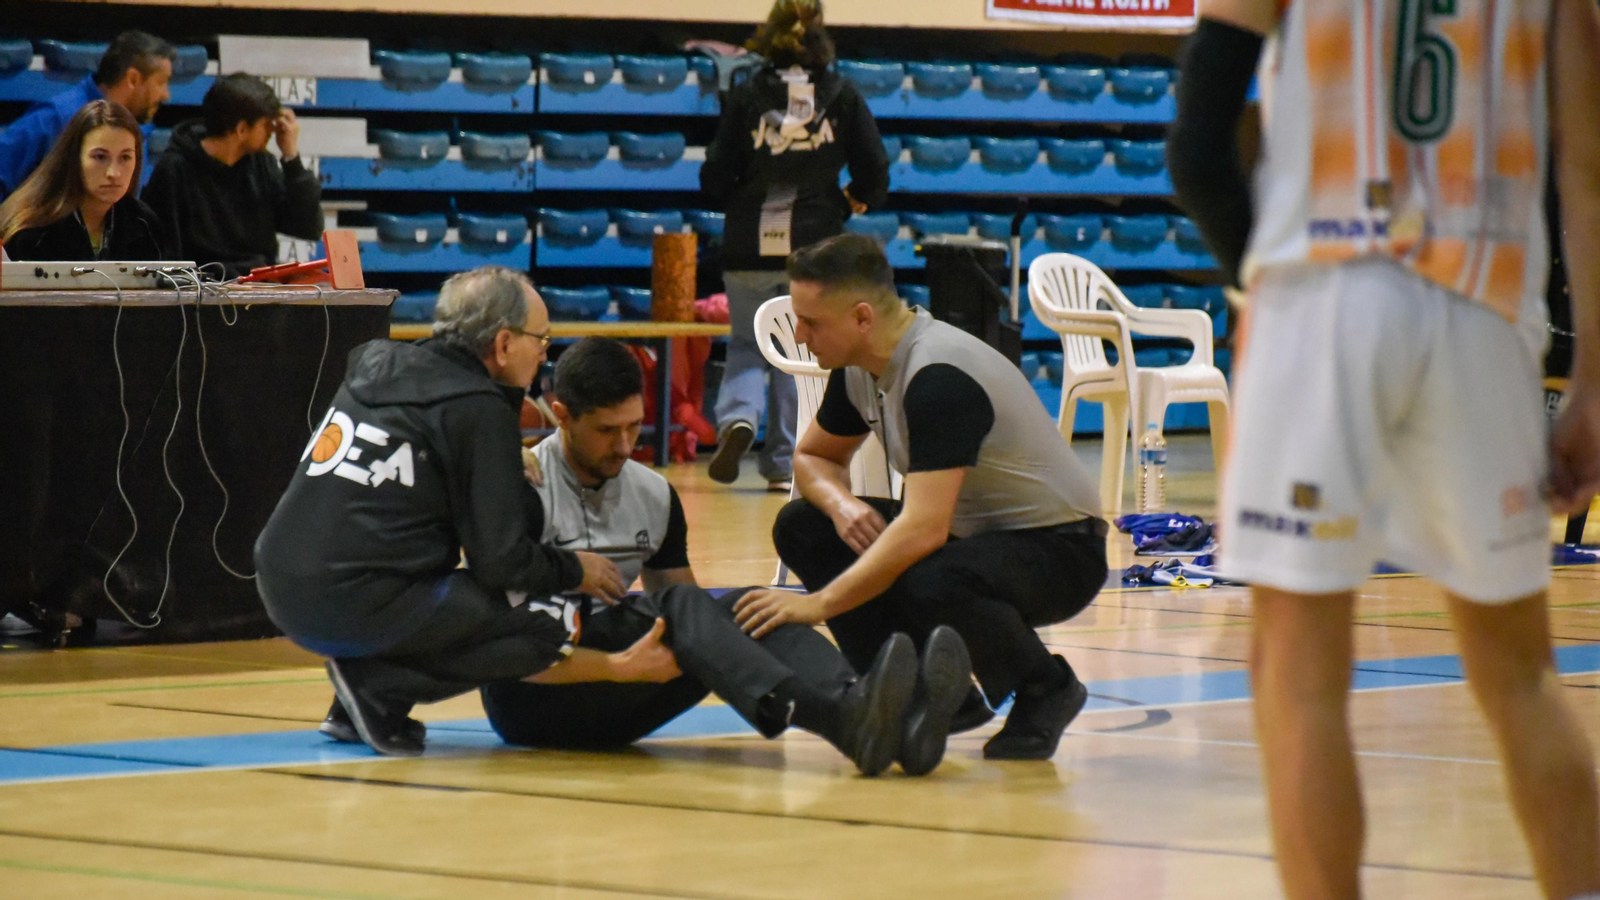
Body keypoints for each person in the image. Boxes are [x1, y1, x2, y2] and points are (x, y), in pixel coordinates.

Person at [1166, 0, 1600, 896]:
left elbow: (1198, 147)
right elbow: (1589, 166)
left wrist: (1260, 288)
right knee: (1522, 678)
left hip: (1322, 290)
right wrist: (1593, 375)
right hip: (1485, 303)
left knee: (1297, 679)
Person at [481, 338, 975, 777]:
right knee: (684, 607)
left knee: (749, 608)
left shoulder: (652, 494)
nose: (625, 445)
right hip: (531, 698)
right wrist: (618, 667)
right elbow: (505, 650)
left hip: (621, 684)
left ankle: (877, 713)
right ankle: (848, 721)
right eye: (608, 430)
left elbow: (697, 622)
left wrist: (665, 655)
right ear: (562, 415)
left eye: (634, 426)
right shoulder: (522, 488)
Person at [254, 267, 671, 757]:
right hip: (353, 603)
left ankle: (359, 697)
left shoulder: (379, 362)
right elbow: (501, 561)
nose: (545, 352)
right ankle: (378, 687)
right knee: (550, 620)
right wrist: (574, 569)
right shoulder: (477, 409)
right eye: (541, 338)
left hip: (278, 583)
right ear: (503, 344)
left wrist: (501, 446)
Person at [736, 234, 1110, 761]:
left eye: (811, 322)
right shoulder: (860, 367)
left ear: (862, 317)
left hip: (1062, 550)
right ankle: (923, 693)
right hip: (975, 537)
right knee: (804, 525)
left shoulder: (938, 375)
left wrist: (817, 604)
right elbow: (813, 458)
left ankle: (1046, 687)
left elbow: (924, 530)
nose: (800, 335)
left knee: (933, 577)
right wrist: (843, 507)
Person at [700, 0, 889, 492]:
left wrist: (742, 191)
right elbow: (875, 169)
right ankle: (782, 462)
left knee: (746, 344)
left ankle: (738, 418)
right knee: (799, 347)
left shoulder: (747, 93)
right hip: (814, 248)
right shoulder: (841, 94)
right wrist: (853, 198)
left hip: (747, 241)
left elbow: (714, 174)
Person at [142, 72, 321, 278]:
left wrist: (291, 158)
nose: (272, 131)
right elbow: (163, 257)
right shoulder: (174, 170)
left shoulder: (262, 164)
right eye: (266, 125)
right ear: (242, 129)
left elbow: (308, 227)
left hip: (259, 286)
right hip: (203, 288)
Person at [0, 31, 174, 201]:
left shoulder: (136, 130)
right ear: (133, 79)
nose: (166, 95)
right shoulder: (56, 117)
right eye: (161, 82)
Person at [0, 100, 166, 261]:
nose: (114, 173)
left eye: (125, 157)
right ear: (74, 158)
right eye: (100, 157)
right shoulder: (30, 233)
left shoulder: (145, 225)